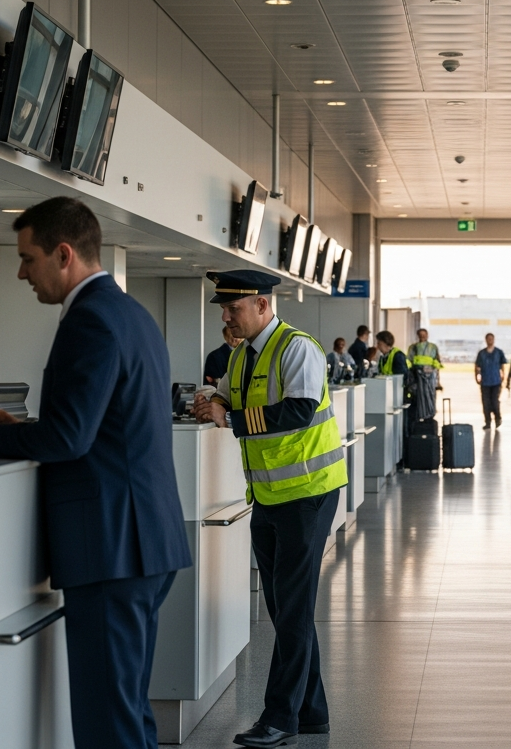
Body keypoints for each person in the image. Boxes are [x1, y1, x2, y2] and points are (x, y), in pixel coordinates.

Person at [0, 197, 192, 749]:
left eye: (28, 258)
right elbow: (96, 423)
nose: (21, 272)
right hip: (142, 540)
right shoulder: (129, 312)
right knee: (126, 711)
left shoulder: (90, 319)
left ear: (63, 253)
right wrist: (22, 426)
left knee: (109, 722)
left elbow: (69, 438)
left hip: (112, 546)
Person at [191, 270, 346, 749]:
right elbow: (230, 396)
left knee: (293, 610)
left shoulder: (297, 347)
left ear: (261, 305)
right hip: (270, 495)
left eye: (233, 308)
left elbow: (298, 410)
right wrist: (212, 401)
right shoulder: (241, 355)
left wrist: (230, 417)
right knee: (284, 609)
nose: (225, 316)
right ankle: (311, 711)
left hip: (308, 492)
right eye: (223, 308)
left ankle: (280, 718)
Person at [408, 328, 442, 423]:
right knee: (419, 398)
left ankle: (430, 415)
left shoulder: (433, 347)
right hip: (417, 377)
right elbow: (409, 362)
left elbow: (437, 362)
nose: (422, 336)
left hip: (430, 377)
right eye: (421, 334)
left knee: (430, 396)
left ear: (427, 335)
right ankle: (420, 416)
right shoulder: (413, 348)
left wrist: (438, 380)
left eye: (424, 334)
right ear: (418, 336)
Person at [475, 333, 507, 430]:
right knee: (486, 402)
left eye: (491, 339)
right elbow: (477, 366)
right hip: (485, 382)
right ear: (485, 340)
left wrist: (503, 375)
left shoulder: (498, 352)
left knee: (495, 401)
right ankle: (487, 421)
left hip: (496, 381)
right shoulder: (482, 353)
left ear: (494, 340)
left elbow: (502, 365)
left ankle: (498, 418)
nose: (490, 340)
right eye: (488, 339)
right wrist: (477, 376)